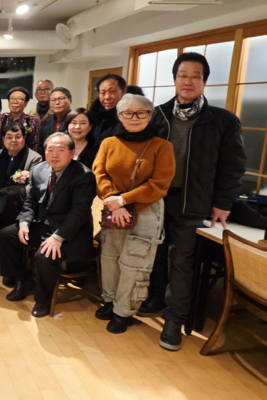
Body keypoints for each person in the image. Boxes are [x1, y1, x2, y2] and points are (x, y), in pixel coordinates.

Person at [144, 53, 246, 351]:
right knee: (155, 253)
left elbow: (233, 165)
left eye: (195, 76)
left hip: (194, 202)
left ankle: (174, 318)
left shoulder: (222, 120)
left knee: (181, 261)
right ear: (174, 79)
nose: (188, 81)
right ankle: (154, 299)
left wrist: (223, 201)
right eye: (183, 75)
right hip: (157, 198)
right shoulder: (158, 115)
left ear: (204, 81)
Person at [92, 94, 175, 334]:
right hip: (113, 209)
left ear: (150, 115)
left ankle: (124, 311)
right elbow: (99, 174)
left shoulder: (162, 146)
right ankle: (111, 301)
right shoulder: (109, 143)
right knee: (110, 258)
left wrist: (124, 201)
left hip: (147, 210)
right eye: (127, 113)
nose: (134, 117)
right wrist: (115, 203)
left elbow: (160, 184)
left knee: (135, 263)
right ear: (120, 116)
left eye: (141, 112)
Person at [0, 133, 96, 318]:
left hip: (71, 233)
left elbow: (79, 213)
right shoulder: (39, 169)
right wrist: (24, 223)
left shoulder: (84, 176)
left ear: (72, 153)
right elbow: (30, 201)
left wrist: (58, 237)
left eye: (60, 150)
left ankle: (43, 301)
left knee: (44, 255)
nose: (54, 155)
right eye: (50, 150)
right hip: (44, 225)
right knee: (8, 235)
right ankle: (23, 280)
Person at [0, 121, 43, 275]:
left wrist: (7, 200)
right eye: (9, 137)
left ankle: (12, 268)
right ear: (3, 139)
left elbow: (31, 187)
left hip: (18, 204)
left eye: (18, 136)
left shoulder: (34, 158)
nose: (13, 140)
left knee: (7, 228)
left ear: (24, 138)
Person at [0, 87, 41, 153]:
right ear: (8, 101)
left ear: (25, 103)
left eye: (19, 99)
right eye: (12, 98)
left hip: (25, 157)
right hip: (2, 156)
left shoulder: (32, 120)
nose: (15, 102)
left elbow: (35, 145)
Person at [89, 74, 126, 143]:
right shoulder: (93, 116)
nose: (107, 97)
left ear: (124, 92)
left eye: (112, 91)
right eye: (103, 92)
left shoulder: (130, 117)